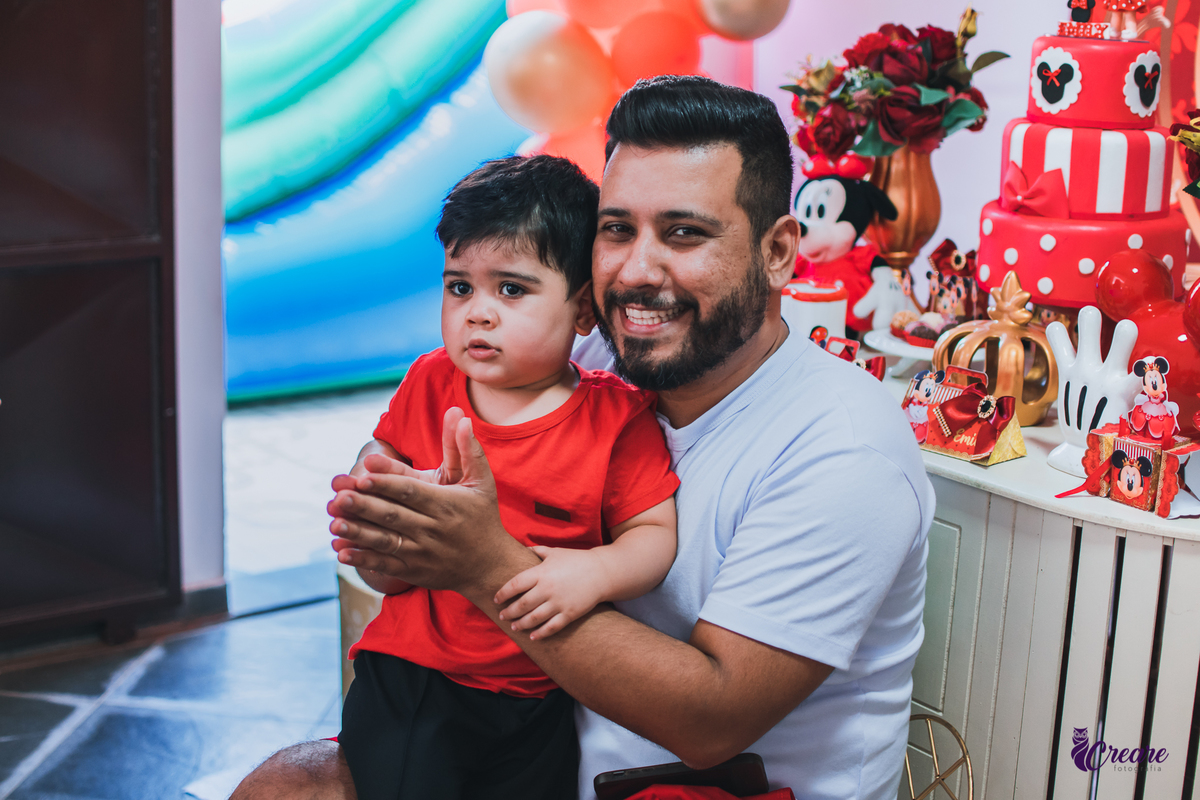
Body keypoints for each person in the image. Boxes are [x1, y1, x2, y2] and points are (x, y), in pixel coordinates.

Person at [233, 75, 932, 800]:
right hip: (525, 752)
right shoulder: (592, 355)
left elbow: (710, 722)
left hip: (697, 787)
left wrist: (483, 564)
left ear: (778, 251)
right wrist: (387, 508)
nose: (636, 270)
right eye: (617, 229)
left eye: (684, 233)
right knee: (284, 786)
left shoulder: (842, 448)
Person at [333, 155, 679, 800]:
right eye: (459, 287)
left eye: (512, 290)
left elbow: (654, 534)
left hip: (544, 687)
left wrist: (595, 572)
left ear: (583, 309)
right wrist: (372, 482)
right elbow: (383, 448)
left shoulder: (616, 418)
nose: (477, 313)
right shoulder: (431, 380)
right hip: (418, 674)